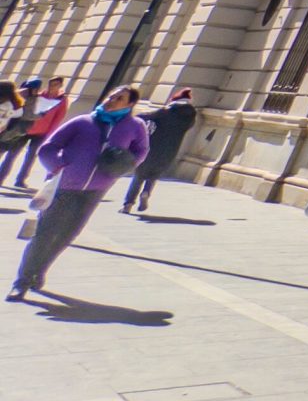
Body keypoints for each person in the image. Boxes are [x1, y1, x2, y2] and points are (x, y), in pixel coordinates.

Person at [10, 84, 150, 299]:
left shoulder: (135, 126)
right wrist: (58, 166)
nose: (111, 99)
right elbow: (48, 147)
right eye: (112, 95)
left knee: (67, 235)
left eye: (119, 98)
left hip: (95, 190)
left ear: (130, 104)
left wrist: (122, 167)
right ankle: (22, 281)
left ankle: (40, 271)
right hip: (64, 187)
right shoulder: (83, 122)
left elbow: (141, 150)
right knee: (45, 234)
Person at [122, 87, 197, 215]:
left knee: (139, 175)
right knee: (154, 174)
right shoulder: (190, 116)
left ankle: (128, 204)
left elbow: (148, 117)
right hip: (171, 149)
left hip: (154, 146)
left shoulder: (166, 111)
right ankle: (146, 193)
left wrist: (137, 116)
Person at [2, 75, 67, 188]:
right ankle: (1, 177)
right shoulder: (39, 95)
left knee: (30, 156)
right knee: (12, 154)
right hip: (25, 130)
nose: (53, 86)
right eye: (51, 84)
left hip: (41, 133)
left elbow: (58, 118)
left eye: (56, 84)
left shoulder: (62, 100)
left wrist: (49, 135)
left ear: (61, 85)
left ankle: (20, 180)